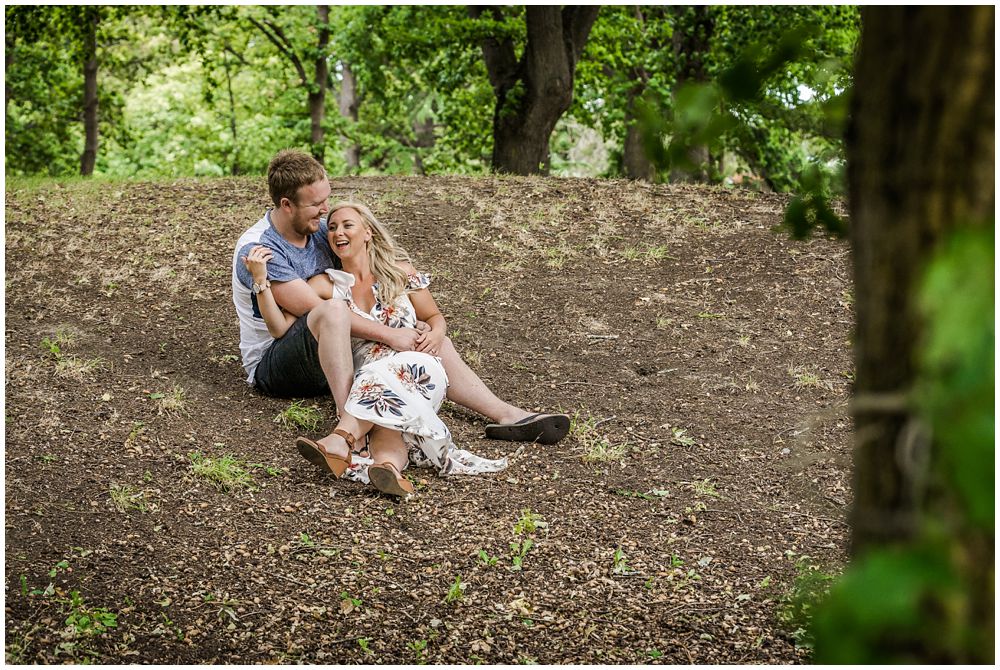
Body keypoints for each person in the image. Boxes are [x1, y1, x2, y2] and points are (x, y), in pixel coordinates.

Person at [232, 150, 569, 491]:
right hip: (280, 360)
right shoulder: (259, 247)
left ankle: (502, 416)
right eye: (317, 206)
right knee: (355, 329)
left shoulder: (321, 228)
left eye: (328, 202)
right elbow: (306, 316)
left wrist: (425, 330)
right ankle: (350, 430)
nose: (326, 215)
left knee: (422, 349)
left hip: (335, 351)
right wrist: (393, 335)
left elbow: (385, 270)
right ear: (287, 205)